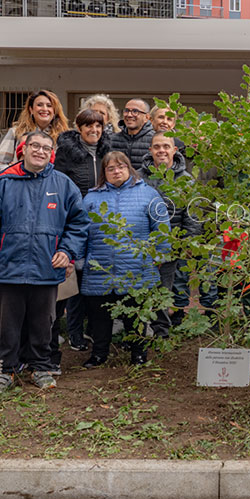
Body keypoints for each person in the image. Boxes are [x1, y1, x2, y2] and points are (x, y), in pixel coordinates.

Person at [0, 131, 89, 394]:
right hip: (8, 268)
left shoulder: (63, 184)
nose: (40, 151)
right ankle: (7, 368)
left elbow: (79, 223)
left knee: (43, 322)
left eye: (46, 148)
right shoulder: (3, 183)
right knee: (9, 323)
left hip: (46, 268)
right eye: (34, 146)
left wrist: (68, 250)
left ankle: (41, 366)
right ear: (23, 150)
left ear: (52, 154)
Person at [81, 152, 170, 367]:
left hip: (136, 267)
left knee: (136, 315)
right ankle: (99, 354)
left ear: (129, 168)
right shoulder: (91, 197)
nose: (116, 171)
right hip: (99, 267)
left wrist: (158, 256)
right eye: (110, 168)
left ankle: (138, 354)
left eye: (120, 167)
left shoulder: (148, 194)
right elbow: (81, 230)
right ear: (104, 173)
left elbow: (162, 228)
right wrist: (79, 258)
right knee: (100, 316)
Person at [53, 108, 114, 352]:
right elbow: (59, 187)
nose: (94, 130)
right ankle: (72, 333)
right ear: (79, 128)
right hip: (75, 223)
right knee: (73, 282)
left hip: (102, 226)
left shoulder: (107, 150)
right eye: (89, 126)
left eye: (98, 126)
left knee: (95, 279)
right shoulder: (66, 152)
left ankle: (92, 330)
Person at [142, 133, 210, 335]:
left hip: (172, 244)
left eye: (166, 146)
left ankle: (161, 331)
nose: (161, 150)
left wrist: (187, 242)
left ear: (174, 150)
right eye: (156, 147)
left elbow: (192, 216)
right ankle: (138, 328)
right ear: (150, 151)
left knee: (165, 289)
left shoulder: (186, 180)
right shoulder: (138, 177)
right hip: (142, 244)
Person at [0, 89, 69, 174]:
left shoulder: (64, 137)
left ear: (54, 111)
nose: (44, 109)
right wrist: (18, 171)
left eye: (49, 105)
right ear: (31, 109)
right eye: (39, 105)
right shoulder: (16, 132)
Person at [110, 98, 155, 173]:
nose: (129, 115)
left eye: (135, 111)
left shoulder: (154, 140)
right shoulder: (112, 139)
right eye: (127, 111)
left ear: (147, 117)